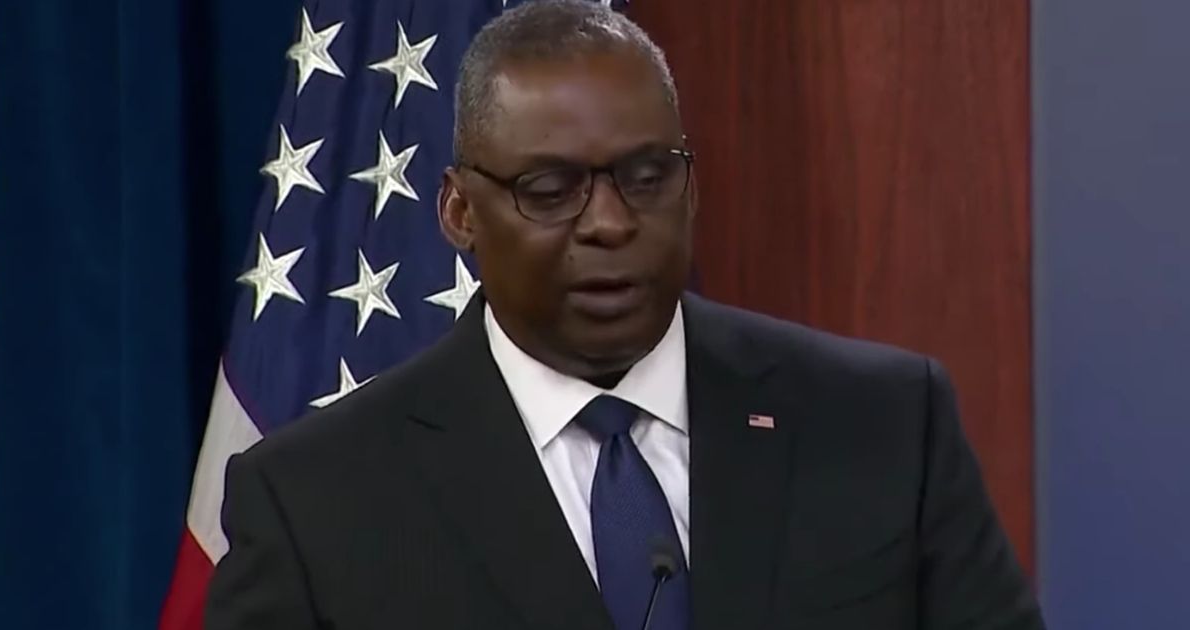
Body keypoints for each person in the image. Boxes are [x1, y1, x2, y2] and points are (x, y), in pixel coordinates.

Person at [205, 2, 1045, 629]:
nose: (608, 223)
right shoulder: (317, 501)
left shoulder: (882, 422)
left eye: (646, 177)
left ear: (691, 186)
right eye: (550, 189)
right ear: (459, 212)